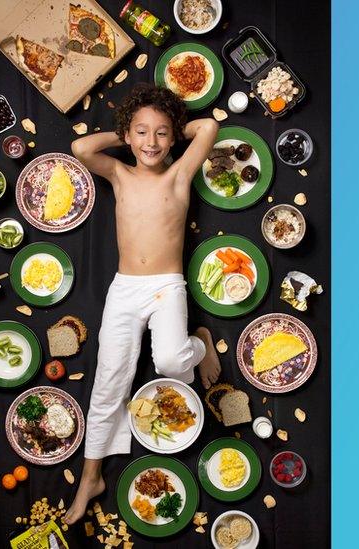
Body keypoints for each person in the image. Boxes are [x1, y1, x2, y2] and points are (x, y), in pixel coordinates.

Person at [64, 84, 222, 523]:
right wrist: (125, 134)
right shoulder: (120, 174)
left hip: (168, 286)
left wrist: (168, 125)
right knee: (108, 382)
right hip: (125, 289)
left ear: (174, 140)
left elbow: (208, 127)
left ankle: (200, 342)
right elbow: (81, 147)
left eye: (162, 134)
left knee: (173, 363)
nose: (150, 143)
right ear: (128, 136)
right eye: (141, 133)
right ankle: (90, 478)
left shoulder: (179, 175)